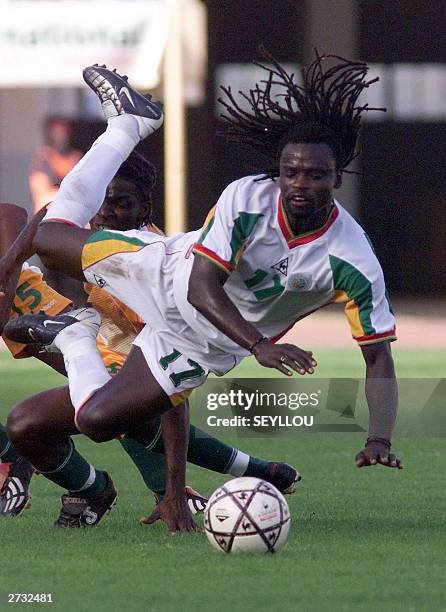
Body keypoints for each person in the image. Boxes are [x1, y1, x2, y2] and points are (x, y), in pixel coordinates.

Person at [1, 53, 402, 528]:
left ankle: (71, 336)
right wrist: (261, 345)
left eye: (315, 175)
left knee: (96, 421)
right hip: (164, 274)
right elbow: (199, 285)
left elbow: (378, 357)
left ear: (337, 178)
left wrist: (380, 438)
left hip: (201, 347)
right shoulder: (248, 197)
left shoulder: (353, 260)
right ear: (278, 171)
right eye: (290, 172)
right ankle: (127, 126)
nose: (300, 184)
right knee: (49, 240)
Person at [0, 195, 298, 522]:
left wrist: (171, 487)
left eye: (118, 202)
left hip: (91, 336)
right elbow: (46, 213)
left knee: (122, 411)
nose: (103, 212)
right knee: (96, 414)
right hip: (80, 331)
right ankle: (86, 488)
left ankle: (205, 483)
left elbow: (10, 212)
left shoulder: (150, 266)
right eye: (100, 201)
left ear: (143, 209)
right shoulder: (103, 237)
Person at [29, 117, 83, 214]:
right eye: (57, 132)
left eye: (64, 132)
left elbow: (79, 186)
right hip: (49, 211)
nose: (61, 136)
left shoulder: (76, 157)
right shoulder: (43, 158)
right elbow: (40, 189)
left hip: (71, 211)